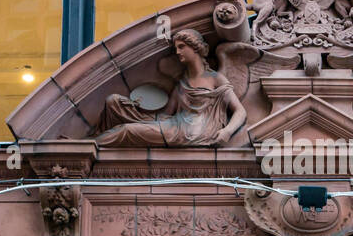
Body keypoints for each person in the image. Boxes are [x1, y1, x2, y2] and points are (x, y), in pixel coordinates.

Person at [96, 29, 246, 147]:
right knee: (114, 102)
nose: (177, 52)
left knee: (127, 130)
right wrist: (135, 107)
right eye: (176, 48)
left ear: (196, 48)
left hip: (195, 131)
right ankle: (91, 142)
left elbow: (240, 111)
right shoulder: (183, 82)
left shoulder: (215, 78)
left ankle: (91, 143)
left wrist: (227, 131)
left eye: (182, 47)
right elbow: (165, 115)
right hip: (176, 125)